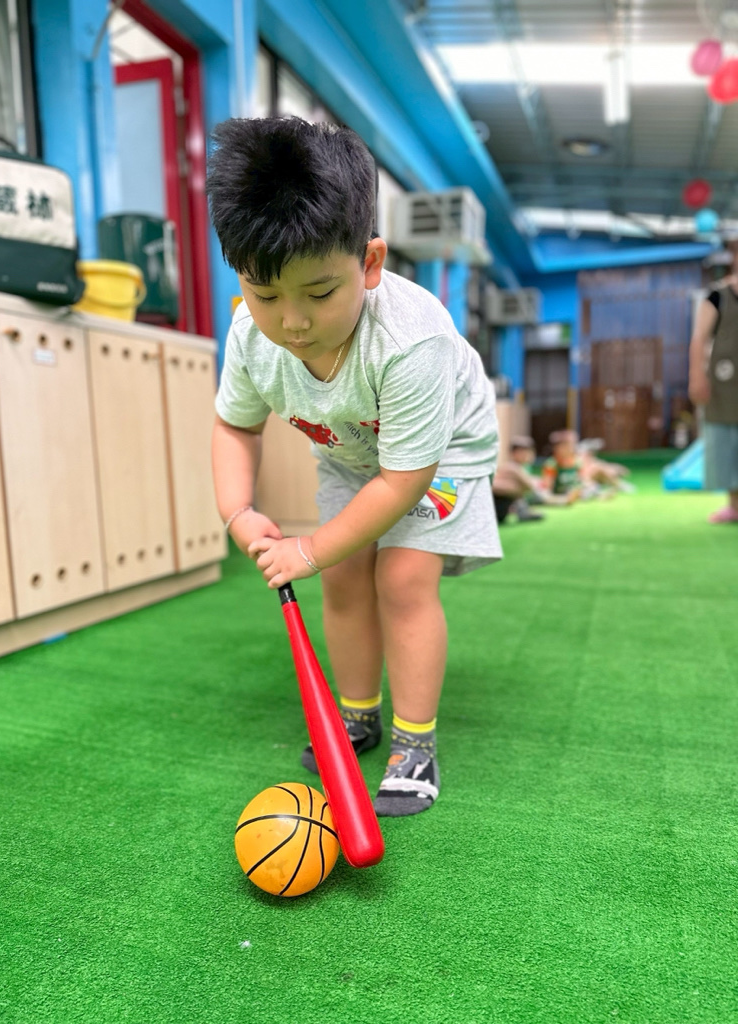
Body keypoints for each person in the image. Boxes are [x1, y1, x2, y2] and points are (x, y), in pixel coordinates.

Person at [207, 117, 501, 817]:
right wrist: (238, 511)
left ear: (369, 263)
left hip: (439, 454)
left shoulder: (411, 341)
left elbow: (402, 480)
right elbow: (235, 426)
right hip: (351, 451)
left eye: (319, 293)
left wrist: (307, 547)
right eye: (266, 294)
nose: (293, 322)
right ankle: (358, 713)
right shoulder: (251, 336)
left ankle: (415, 741)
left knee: (401, 577)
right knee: (343, 574)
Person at [689, 239, 738, 523]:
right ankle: (735, 504)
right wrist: (696, 376)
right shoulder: (717, 295)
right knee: (726, 438)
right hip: (725, 380)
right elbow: (699, 338)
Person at [492, 436, 545, 523]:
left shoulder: (521, 468)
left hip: (499, 512)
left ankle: (522, 511)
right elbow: (530, 486)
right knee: (516, 487)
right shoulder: (512, 467)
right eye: (522, 452)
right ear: (513, 453)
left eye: (528, 452)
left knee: (516, 487)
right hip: (494, 509)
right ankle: (523, 512)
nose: (526, 455)